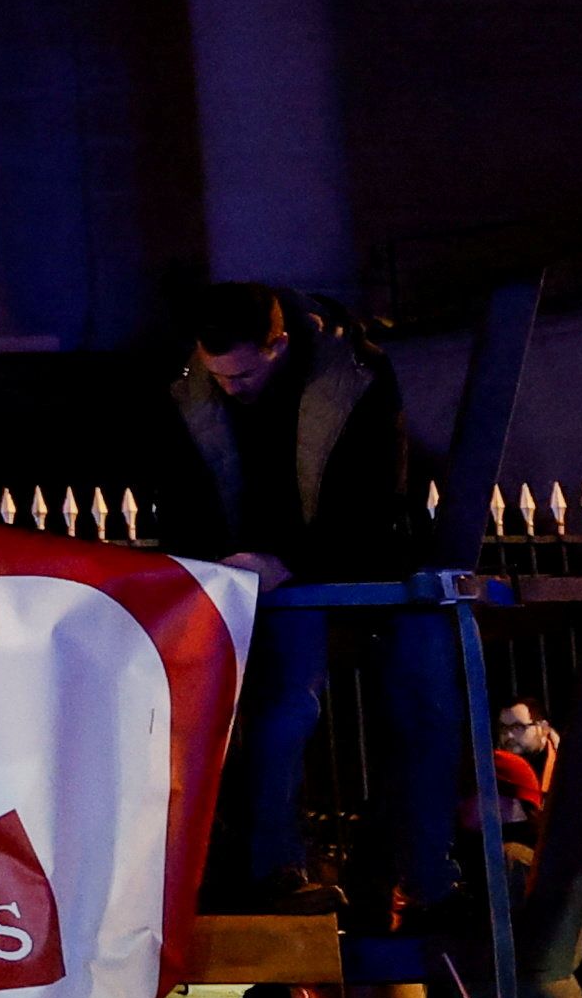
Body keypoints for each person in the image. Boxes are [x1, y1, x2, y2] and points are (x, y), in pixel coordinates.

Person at [126, 279, 454, 916]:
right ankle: (281, 869)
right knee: (285, 707)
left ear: (277, 345)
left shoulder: (356, 372)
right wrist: (223, 563)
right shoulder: (190, 378)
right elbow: (179, 488)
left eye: (244, 374)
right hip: (261, 570)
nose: (232, 387)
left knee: (417, 707)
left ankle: (422, 877)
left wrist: (287, 560)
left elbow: (378, 493)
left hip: (348, 563)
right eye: (219, 373)